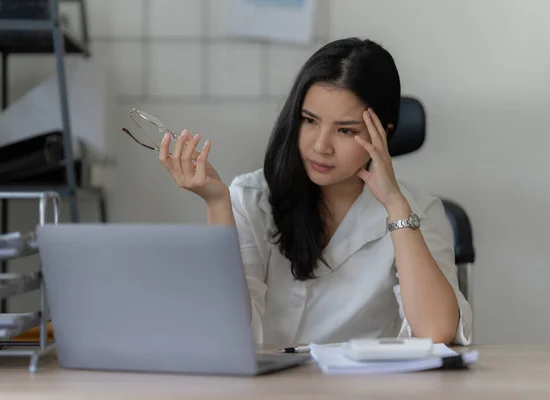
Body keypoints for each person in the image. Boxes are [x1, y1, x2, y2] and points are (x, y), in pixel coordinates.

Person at [159, 37, 472, 346]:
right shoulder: (251, 198)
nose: (321, 146)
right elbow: (224, 326)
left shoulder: (420, 211)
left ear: (383, 133)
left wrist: (395, 206)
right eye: (309, 121)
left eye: (345, 130)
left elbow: (435, 330)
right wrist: (216, 203)